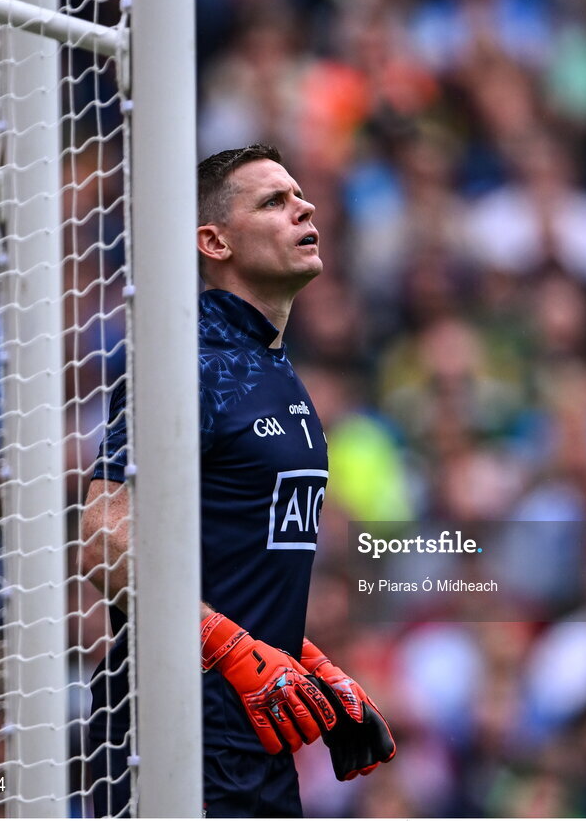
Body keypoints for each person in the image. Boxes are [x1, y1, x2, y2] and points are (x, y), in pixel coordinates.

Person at [80, 144, 395, 817]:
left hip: (255, 741)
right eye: (273, 201)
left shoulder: (278, 372)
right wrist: (227, 645)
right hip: (168, 734)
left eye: (301, 196)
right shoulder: (185, 361)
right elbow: (105, 541)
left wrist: (307, 659)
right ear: (213, 240)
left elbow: (229, 560)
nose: (303, 206)